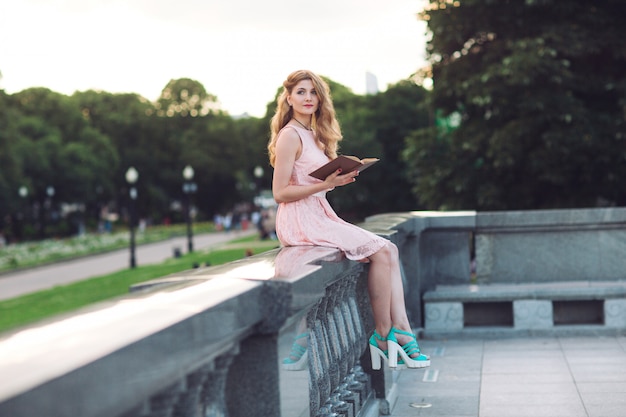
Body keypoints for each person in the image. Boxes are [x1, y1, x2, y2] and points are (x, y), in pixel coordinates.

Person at [267, 69, 429, 369]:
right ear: (288, 97)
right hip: (299, 218)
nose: (308, 98)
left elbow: (313, 180)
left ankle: (400, 330)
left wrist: (338, 175)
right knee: (381, 251)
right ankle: (385, 335)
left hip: (319, 213)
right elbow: (279, 193)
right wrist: (327, 184)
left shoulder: (314, 135)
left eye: (313, 92)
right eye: (301, 92)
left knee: (389, 249)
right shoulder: (289, 135)